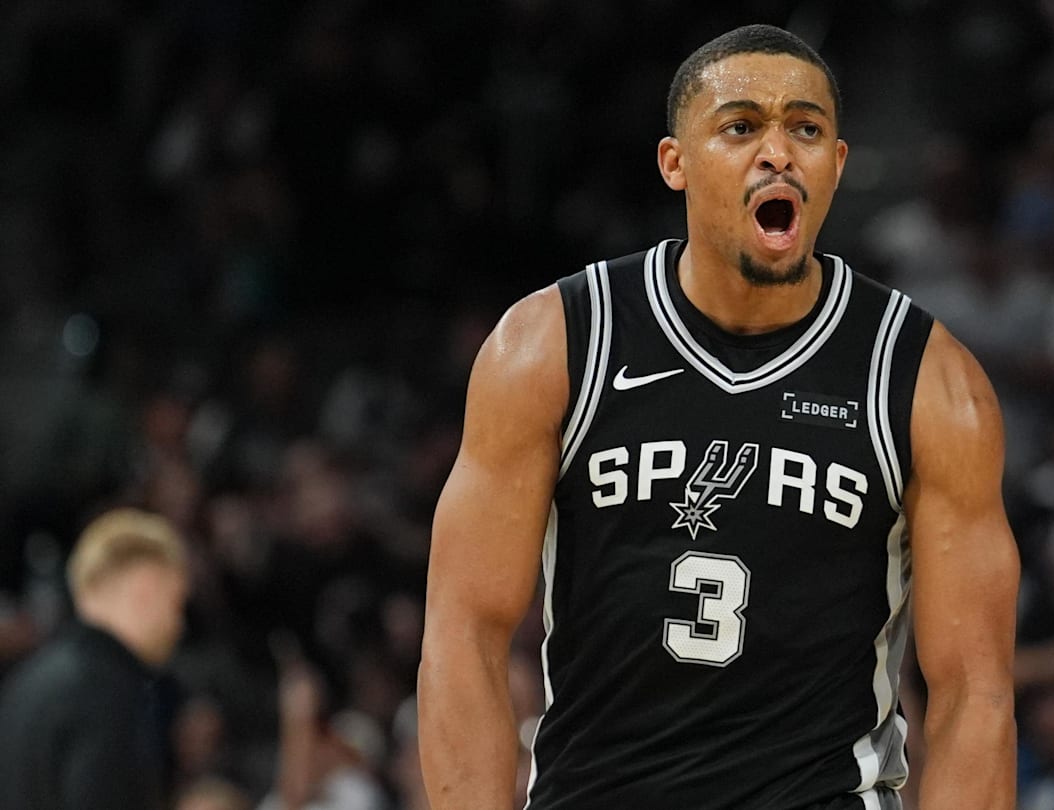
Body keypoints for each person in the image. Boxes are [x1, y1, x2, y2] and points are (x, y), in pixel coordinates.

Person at [419, 24, 1019, 809]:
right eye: (741, 127)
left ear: (836, 166)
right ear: (675, 162)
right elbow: (463, 635)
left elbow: (975, 693)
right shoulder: (554, 344)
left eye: (806, 129)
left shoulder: (924, 379)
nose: (778, 153)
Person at [0, 507, 191, 810]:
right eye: (175, 603)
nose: (178, 623)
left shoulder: (23, 683)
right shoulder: (110, 691)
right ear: (145, 590)